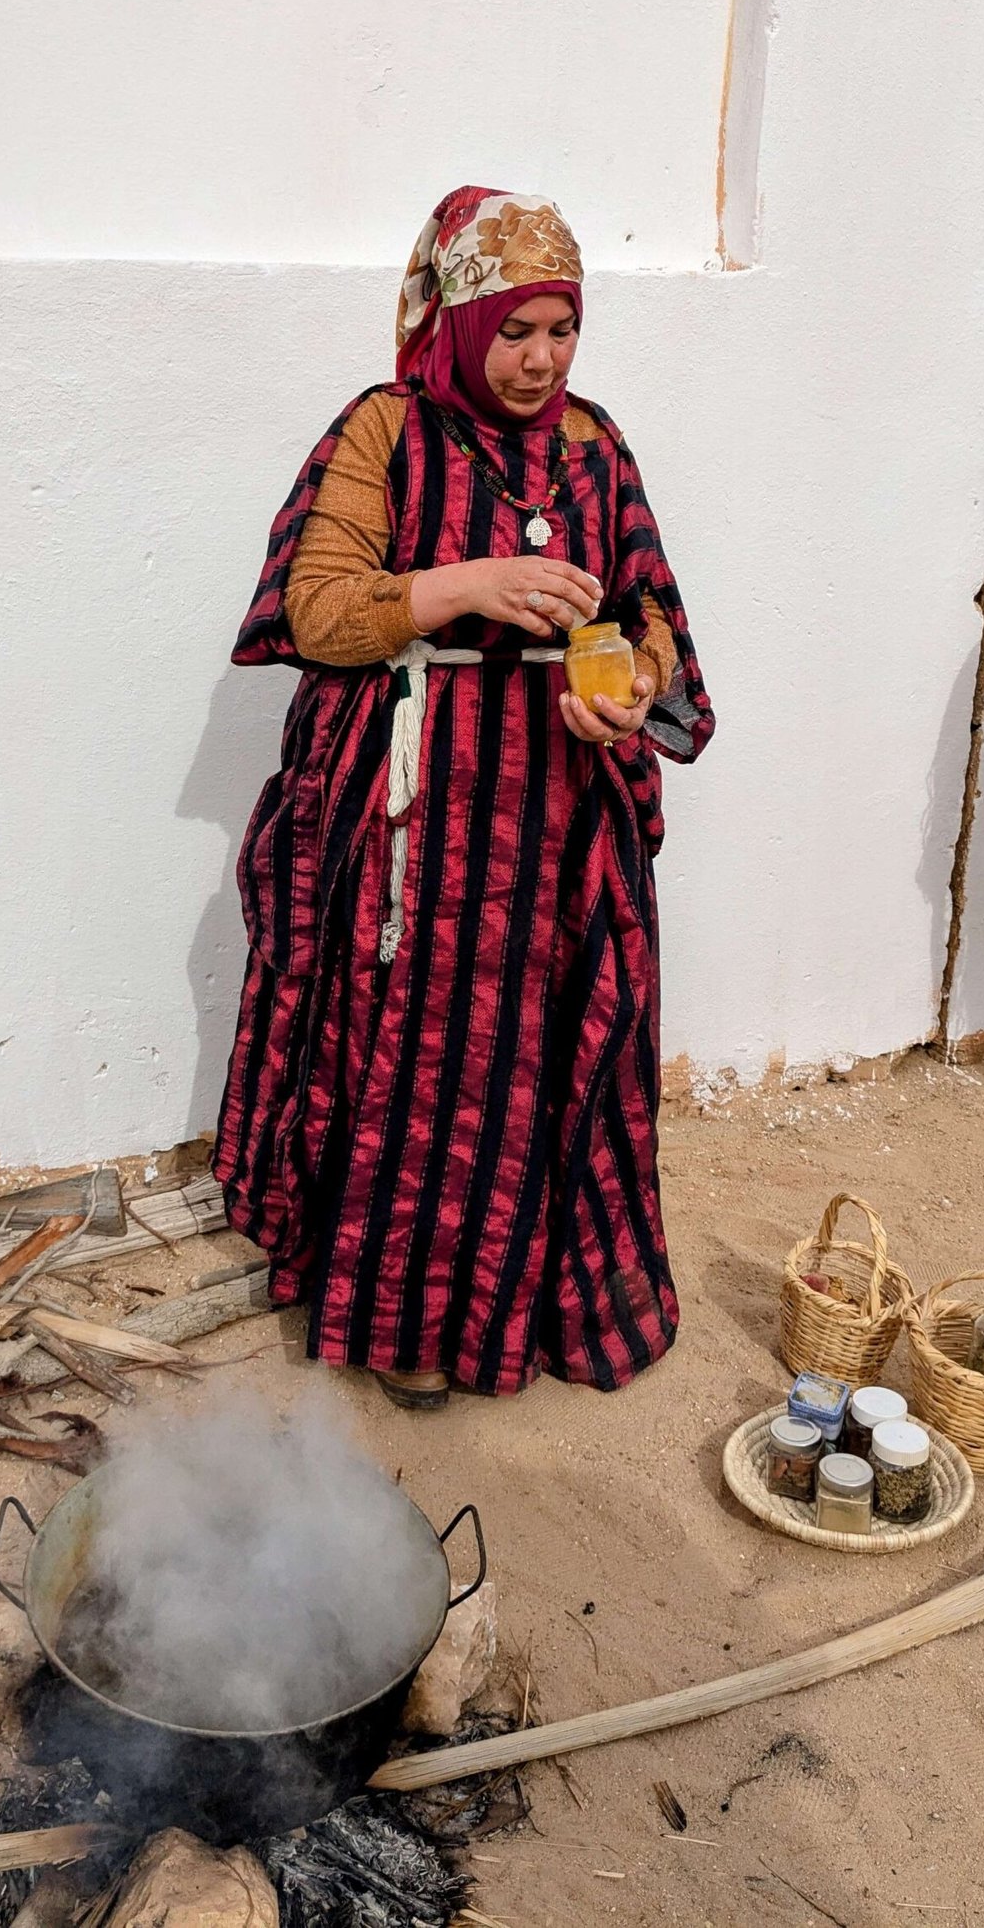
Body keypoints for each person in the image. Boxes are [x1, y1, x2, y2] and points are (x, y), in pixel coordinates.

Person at [213, 186, 713, 1409]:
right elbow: (313, 608)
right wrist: (465, 584)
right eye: (513, 330)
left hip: (557, 807)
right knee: (421, 1057)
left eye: (562, 328)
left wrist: (631, 687)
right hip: (416, 811)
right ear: (454, 318)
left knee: (542, 1047)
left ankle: (536, 1302)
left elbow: (648, 606)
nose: (541, 359)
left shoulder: (595, 446)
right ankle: (401, 1318)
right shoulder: (383, 430)